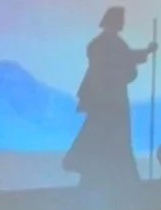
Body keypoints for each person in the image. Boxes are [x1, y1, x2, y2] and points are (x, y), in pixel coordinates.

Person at [64, 6, 156, 186]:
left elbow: (127, 58)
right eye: (120, 19)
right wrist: (141, 56)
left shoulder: (113, 43)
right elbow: (115, 64)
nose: (122, 23)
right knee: (104, 136)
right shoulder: (100, 44)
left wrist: (146, 51)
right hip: (106, 100)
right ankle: (93, 172)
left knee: (113, 139)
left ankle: (107, 177)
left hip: (113, 99)